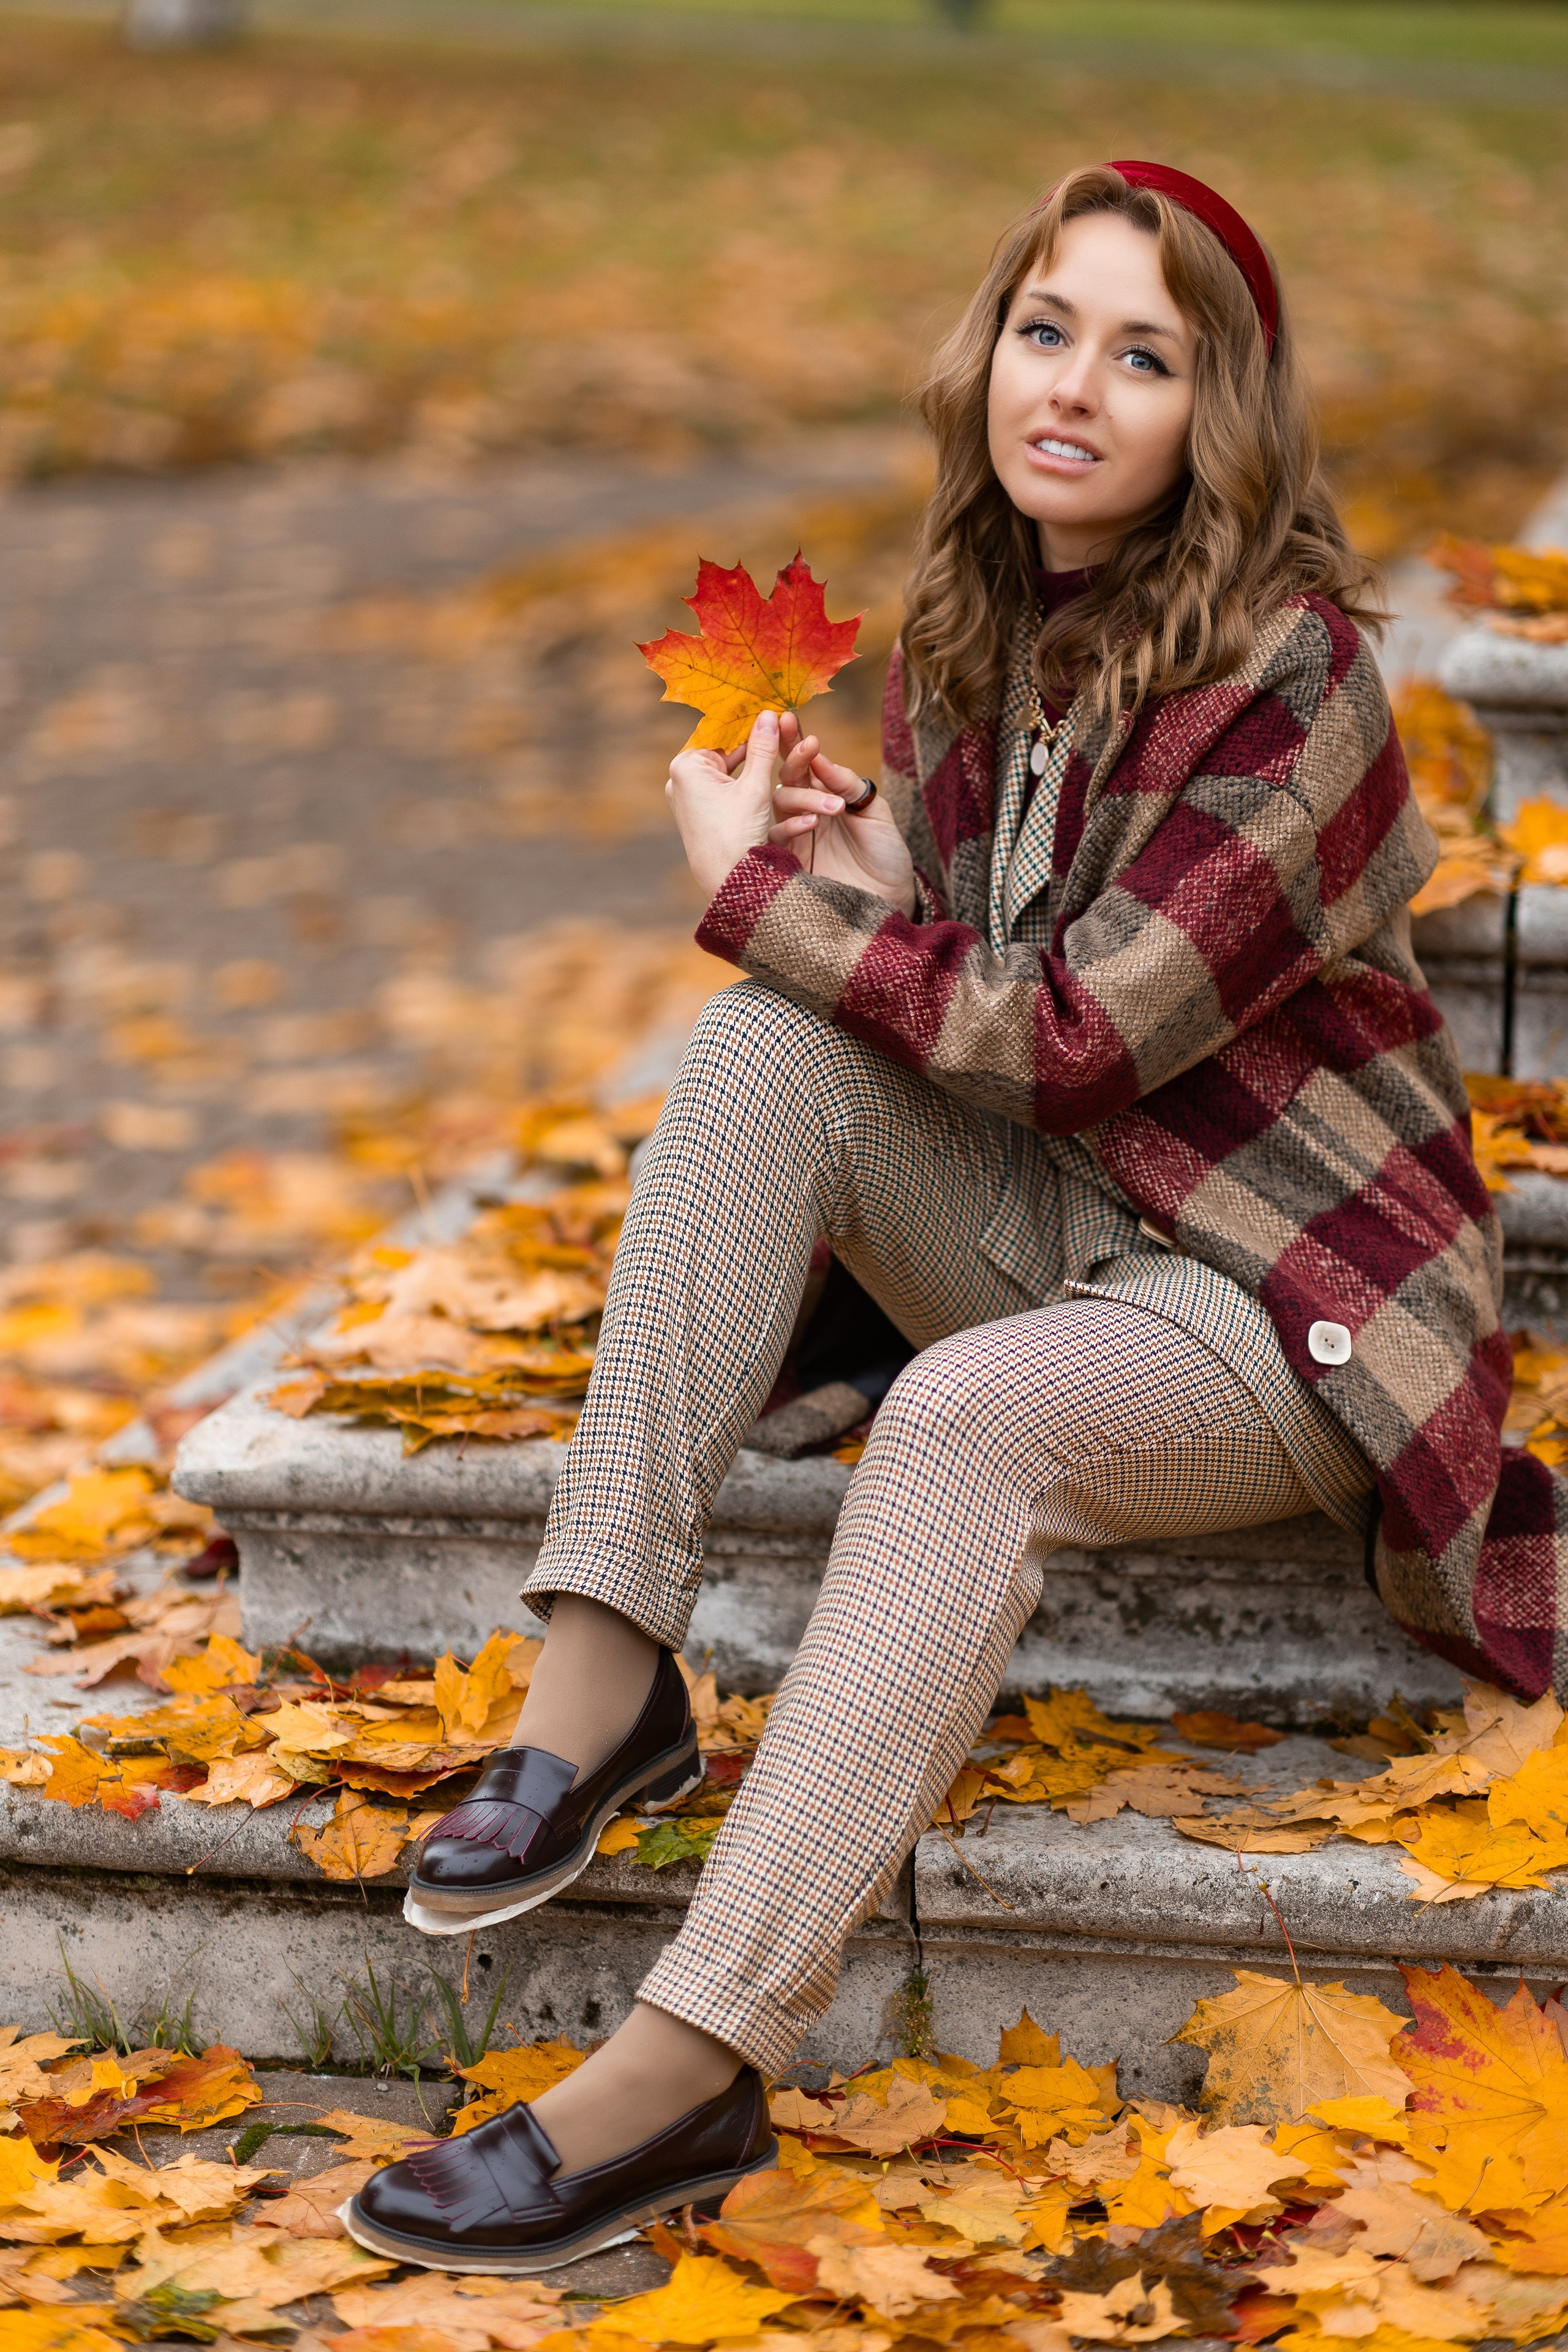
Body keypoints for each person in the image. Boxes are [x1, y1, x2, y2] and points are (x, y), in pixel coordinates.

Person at [346, 160, 1528, 2276]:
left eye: (1144, 356)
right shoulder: (989, 631)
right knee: (754, 1053)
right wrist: (880, 871)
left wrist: (774, 905)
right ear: (987, 350)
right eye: (1047, 328)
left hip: (1287, 1298)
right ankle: (602, 1684)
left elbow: (1080, 1035)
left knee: (962, 1413)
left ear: (1218, 421)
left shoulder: (1300, 682)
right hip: (1071, 1216)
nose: (1073, 386)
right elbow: (984, 987)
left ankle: (698, 2049)